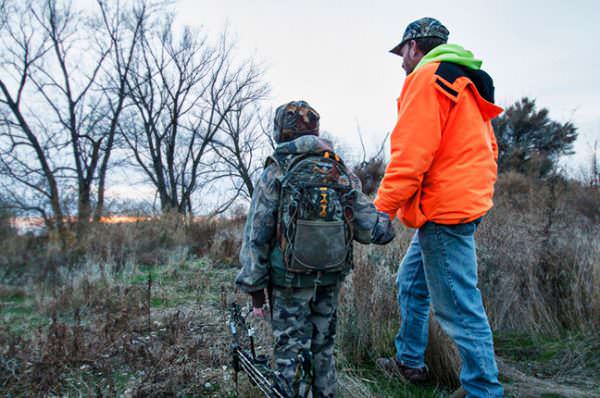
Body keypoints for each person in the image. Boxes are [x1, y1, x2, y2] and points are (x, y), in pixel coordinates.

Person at [373, 17, 504, 398]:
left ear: (414, 46)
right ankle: (410, 361)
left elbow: (411, 154)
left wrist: (382, 208)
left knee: (459, 308)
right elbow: (491, 149)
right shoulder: (462, 80)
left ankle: (483, 390)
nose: (401, 62)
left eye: (402, 53)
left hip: (446, 210)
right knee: (411, 283)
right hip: (459, 203)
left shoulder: (428, 78)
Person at [235, 100, 395, 398]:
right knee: (323, 350)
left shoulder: (277, 170)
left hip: (288, 281)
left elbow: (256, 232)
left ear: (280, 131)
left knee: (290, 355)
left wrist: (254, 286)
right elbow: (372, 229)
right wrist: (392, 221)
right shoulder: (340, 171)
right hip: (331, 277)